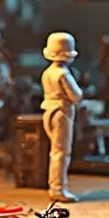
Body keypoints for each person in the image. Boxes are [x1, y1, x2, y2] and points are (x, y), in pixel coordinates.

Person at [40, 31, 82, 203]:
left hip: (49, 112)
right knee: (61, 152)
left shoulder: (47, 72)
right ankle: (58, 188)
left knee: (55, 151)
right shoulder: (63, 74)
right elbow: (76, 96)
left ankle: (56, 186)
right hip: (61, 113)